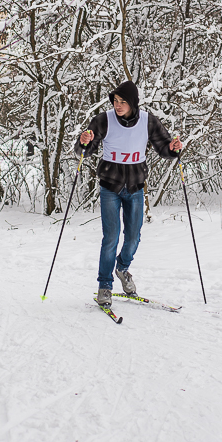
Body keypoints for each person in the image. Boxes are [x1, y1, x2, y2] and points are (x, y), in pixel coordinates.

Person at [76, 80, 182, 307]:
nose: (118, 105)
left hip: (135, 188)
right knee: (111, 238)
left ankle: (122, 268)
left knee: (133, 237)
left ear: (133, 103)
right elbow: (85, 148)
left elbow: (165, 147)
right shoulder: (103, 120)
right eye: (115, 101)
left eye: (123, 101)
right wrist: (83, 142)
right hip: (110, 188)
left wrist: (173, 149)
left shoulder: (148, 121)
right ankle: (105, 285)